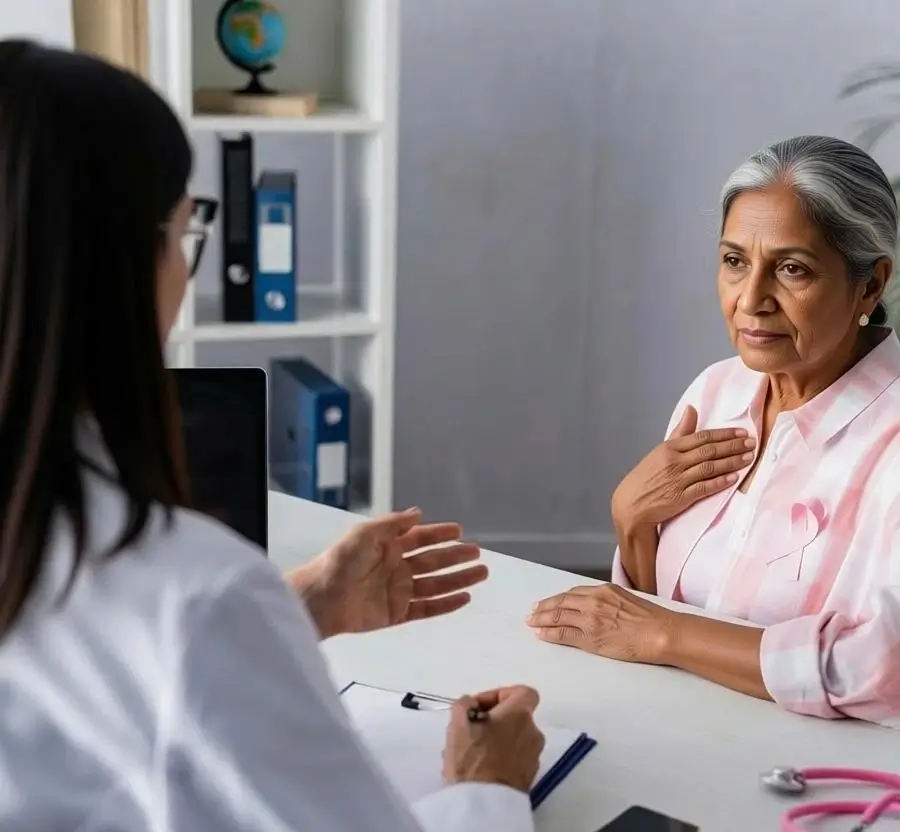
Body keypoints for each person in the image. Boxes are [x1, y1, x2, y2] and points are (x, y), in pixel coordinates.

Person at [0, 41, 543, 831]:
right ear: (125, 261)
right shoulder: (191, 593)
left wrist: (298, 611)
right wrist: (486, 786)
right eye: (185, 233)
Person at [527, 135, 900, 731]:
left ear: (871, 285)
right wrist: (632, 523)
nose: (750, 300)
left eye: (792, 269)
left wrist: (669, 635)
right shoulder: (714, 393)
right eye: (734, 261)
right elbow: (639, 625)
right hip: (661, 725)